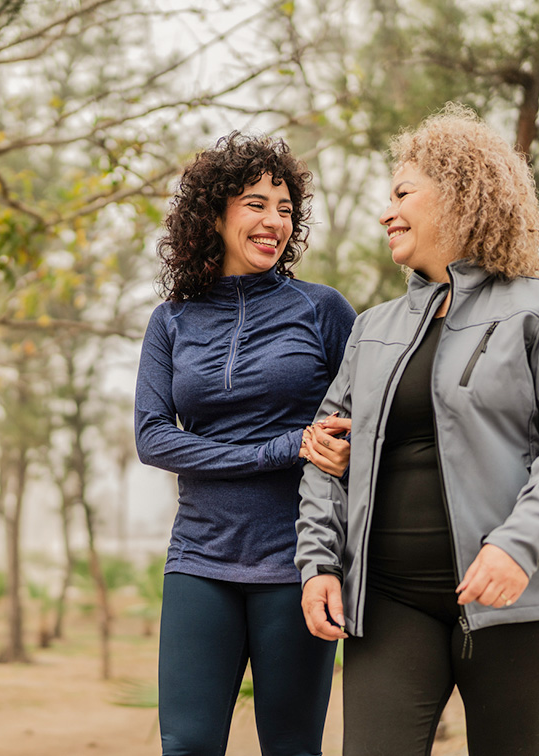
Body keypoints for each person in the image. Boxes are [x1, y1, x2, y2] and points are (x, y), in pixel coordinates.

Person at [295, 104, 539, 756]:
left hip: (518, 601)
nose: (386, 211)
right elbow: (327, 454)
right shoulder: (372, 328)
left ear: (462, 193)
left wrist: (516, 546)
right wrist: (319, 563)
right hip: (389, 602)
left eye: (403, 192)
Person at [135, 132, 357, 756]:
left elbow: (366, 423)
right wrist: (282, 448)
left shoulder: (322, 311)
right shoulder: (172, 320)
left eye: (285, 209)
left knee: (291, 748)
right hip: (199, 558)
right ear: (214, 213)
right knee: (186, 745)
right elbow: (153, 438)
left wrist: (342, 455)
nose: (274, 222)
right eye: (256, 203)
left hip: (296, 562)